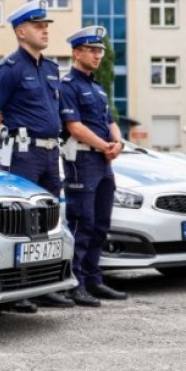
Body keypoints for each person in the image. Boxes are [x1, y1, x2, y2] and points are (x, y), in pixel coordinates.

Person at [0, 0, 75, 312]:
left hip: (50, 154)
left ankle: (44, 284)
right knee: (24, 224)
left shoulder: (50, 67)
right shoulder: (8, 69)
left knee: (49, 222)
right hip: (24, 154)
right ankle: (19, 292)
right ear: (21, 32)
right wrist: (13, 136)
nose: (44, 31)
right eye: (38, 26)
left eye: (46, 26)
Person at [59, 25, 129, 306]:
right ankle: (74, 284)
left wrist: (119, 143)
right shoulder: (68, 86)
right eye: (92, 50)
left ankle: (94, 279)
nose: (98, 55)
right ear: (77, 53)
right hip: (83, 161)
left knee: (101, 224)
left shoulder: (97, 88)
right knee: (82, 223)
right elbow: (74, 126)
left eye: (100, 50)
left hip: (102, 161)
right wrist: (105, 146)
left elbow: (110, 121)